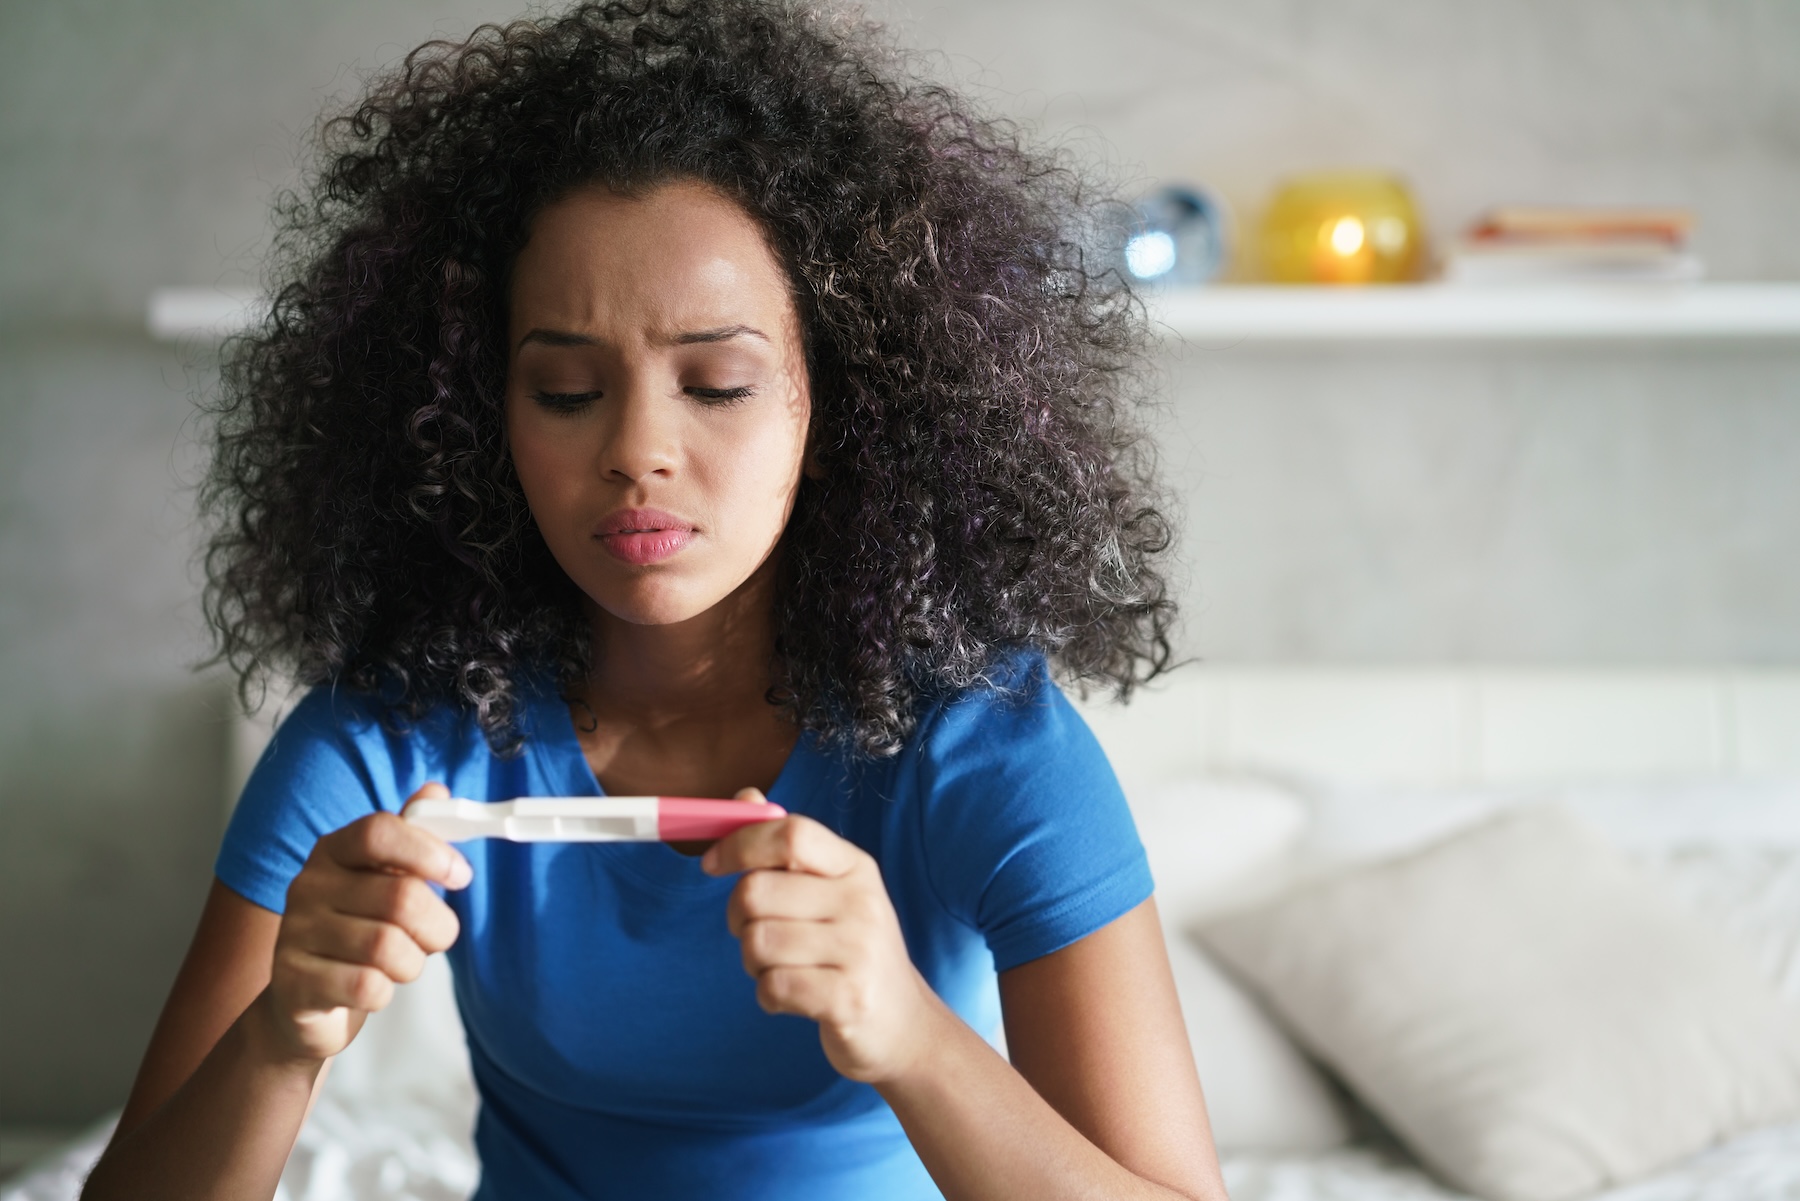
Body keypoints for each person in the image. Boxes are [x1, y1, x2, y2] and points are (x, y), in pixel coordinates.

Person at [84, 2, 1225, 1197]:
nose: (637, 450)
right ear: (483, 426)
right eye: (568, 391)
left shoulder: (988, 748)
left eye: (718, 383)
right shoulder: (387, 739)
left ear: (835, 411)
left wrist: (911, 1032)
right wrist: (281, 1037)